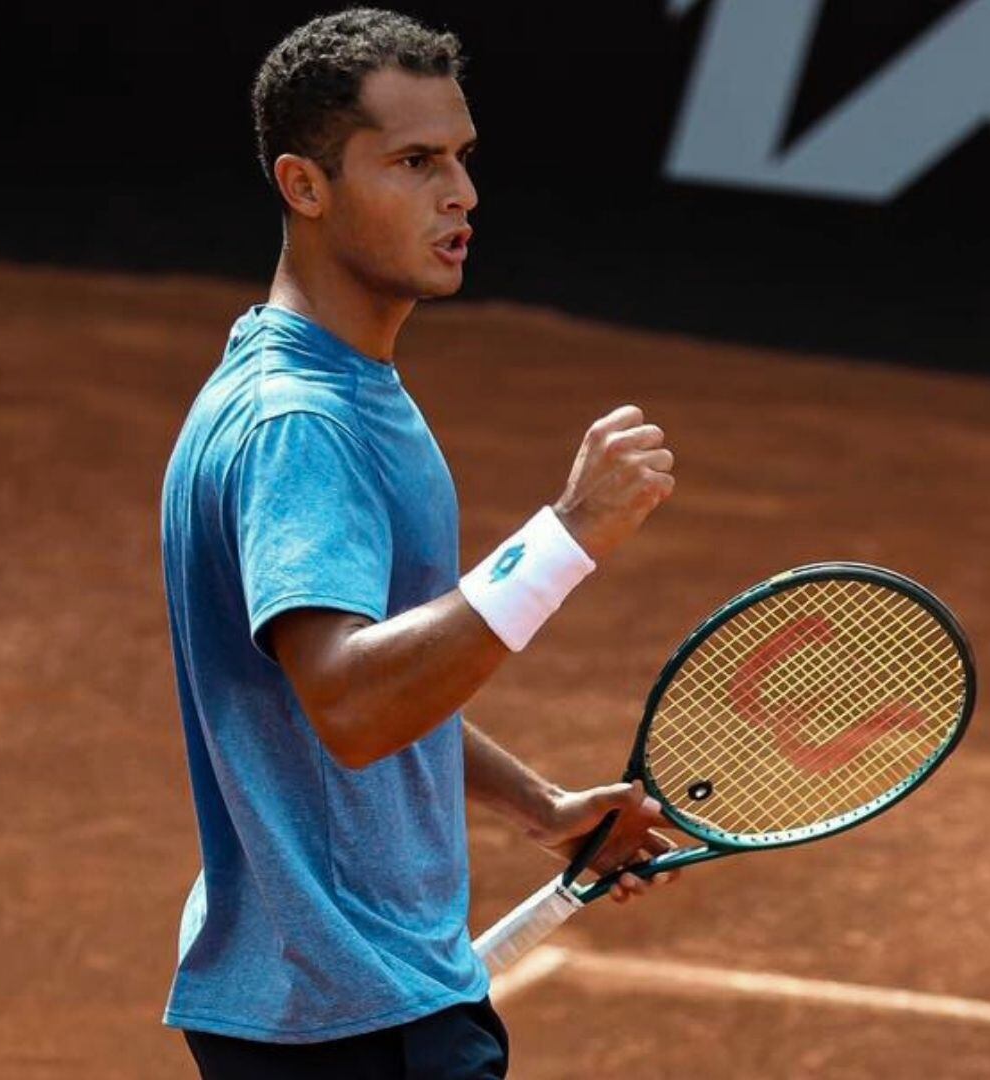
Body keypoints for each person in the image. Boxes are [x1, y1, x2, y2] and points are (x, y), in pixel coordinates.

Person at [158, 9, 679, 1078]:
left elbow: (363, 685)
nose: (462, 195)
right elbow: (353, 706)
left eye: (461, 158)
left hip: (327, 991)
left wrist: (540, 808)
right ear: (306, 187)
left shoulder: (320, 384)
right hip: (354, 1017)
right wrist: (569, 537)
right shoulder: (302, 427)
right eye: (413, 162)